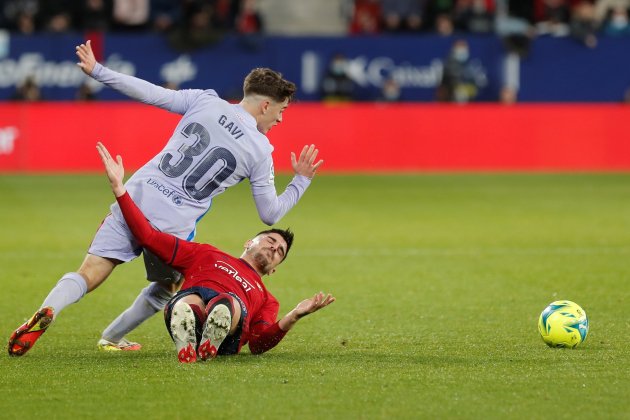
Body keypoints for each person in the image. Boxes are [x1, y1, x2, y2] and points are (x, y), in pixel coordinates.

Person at [7, 40, 323, 357]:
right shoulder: (261, 152)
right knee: (166, 289)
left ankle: (48, 309)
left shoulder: (205, 101)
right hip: (173, 226)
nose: (280, 120)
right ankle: (112, 337)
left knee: (90, 271)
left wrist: (98, 71)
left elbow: (150, 92)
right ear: (266, 106)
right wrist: (301, 181)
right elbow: (270, 214)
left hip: (135, 198)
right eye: (281, 111)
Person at [96, 142, 335, 362]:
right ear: (248, 242)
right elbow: (148, 236)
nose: (274, 247)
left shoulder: (266, 299)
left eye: (279, 251)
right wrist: (120, 190)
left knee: (226, 302)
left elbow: (259, 344)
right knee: (191, 301)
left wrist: (294, 315)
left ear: (273, 270)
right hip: (194, 305)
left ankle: (210, 329)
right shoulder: (205, 254)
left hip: (231, 328)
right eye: (270, 240)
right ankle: (191, 332)